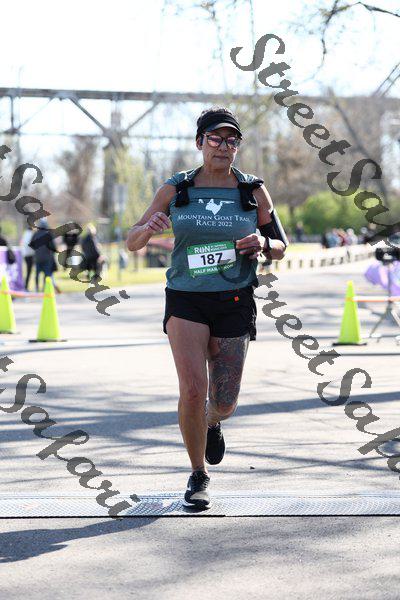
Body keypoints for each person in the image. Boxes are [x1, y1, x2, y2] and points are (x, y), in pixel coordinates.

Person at [126, 106, 287, 510]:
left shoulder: (252, 191)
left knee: (225, 401)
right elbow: (132, 241)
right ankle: (198, 474)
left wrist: (264, 243)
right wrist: (147, 229)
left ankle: (214, 420)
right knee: (193, 389)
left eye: (232, 140)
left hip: (234, 299)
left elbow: (281, 246)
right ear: (200, 143)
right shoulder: (176, 189)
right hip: (186, 298)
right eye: (215, 138)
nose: (223, 146)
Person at [29, 219, 60, 293]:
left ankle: (37, 288)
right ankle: (45, 288)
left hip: (38, 258)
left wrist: (37, 250)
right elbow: (53, 247)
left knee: (37, 274)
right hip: (47, 258)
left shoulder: (35, 234)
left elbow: (31, 245)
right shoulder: (48, 234)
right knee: (47, 274)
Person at [20, 224, 35, 290]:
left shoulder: (25, 234)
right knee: (29, 271)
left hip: (25, 254)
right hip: (30, 255)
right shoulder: (30, 234)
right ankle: (26, 286)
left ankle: (26, 285)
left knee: (28, 270)